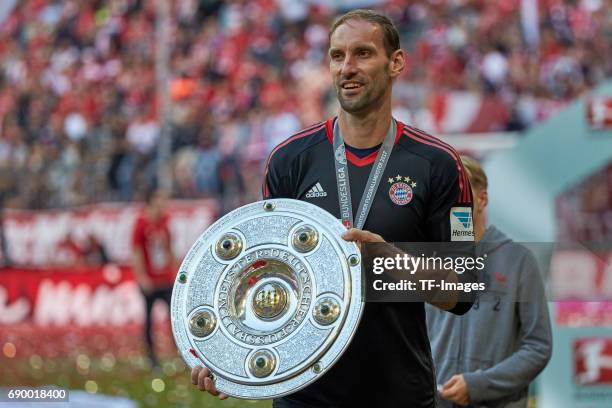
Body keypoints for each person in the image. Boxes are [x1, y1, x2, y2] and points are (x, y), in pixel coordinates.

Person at [192, 9, 476, 407]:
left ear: (396, 63)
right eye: (337, 55)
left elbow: (462, 291)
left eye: (362, 53)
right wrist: (222, 355)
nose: (348, 68)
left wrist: (390, 261)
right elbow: (259, 271)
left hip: (398, 396)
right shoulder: (291, 160)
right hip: (304, 398)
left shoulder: (437, 164)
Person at [426, 156, 552, 408]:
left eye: (458, 193)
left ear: (481, 199)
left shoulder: (519, 261)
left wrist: (478, 385)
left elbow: (538, 346)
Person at [132, 188, 177, 366]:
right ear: (151, 202)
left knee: (174, 319)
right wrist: (142, 277)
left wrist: (175, 270)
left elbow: (169, 247)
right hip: (151, 280)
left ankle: (179, 352)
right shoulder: (141, 224)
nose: (163, 205)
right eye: (159, 200)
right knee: (149, 319)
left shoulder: (166, 221)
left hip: (166, 278)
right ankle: (152, 357)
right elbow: (136, 252)